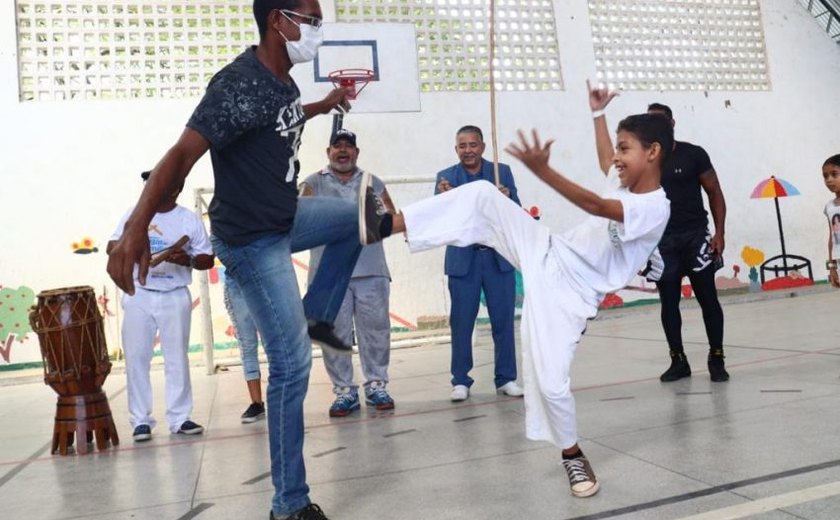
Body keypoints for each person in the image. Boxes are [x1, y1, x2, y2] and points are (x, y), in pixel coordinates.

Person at [105, 1, 392, 518]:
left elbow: (278, 119)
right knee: (291, 364)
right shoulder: (237, 83)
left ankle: (318, 314)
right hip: (251, 241)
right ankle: (289, 504)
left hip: (285, 215)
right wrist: (134, 229)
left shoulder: (284, 84)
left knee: (357, 215)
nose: (318, 30)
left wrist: (322, 106)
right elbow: (179, 156)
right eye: (311, 19)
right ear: (279, 21)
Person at [371, 114, 674, 497]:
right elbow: (603, 162)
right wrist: (596, 113)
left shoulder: (655, 208)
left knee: (550, 384)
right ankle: (388, 225)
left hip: (570, 295)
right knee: (482, 195)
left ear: (653, 152)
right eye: (617, 147)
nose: (616, 157)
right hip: (547, 249)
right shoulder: (623, 178)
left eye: (625, 149)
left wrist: (542, 170)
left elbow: (597, 205)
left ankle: (573, 455)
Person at [588, 81, 730, 383]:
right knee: (669, 303)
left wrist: (719, 233)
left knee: (708, 298)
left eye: (660, 121)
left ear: (672, 124)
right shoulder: (641, 159)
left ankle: (716, 356)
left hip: (695, 236)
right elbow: (608, 166)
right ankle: (678, 360)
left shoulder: (694, 154)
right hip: (661, 243)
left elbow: (715, 192)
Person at [108, 171, 214, 443]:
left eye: (156, 181)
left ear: (175, 188)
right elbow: (111, 245)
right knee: (136, 358)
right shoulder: (135, 213)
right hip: (139, 293)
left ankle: (180, 419)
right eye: (148, 182)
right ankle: (141, 421)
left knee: (177, 357)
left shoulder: (188, 219)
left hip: (174, 294)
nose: (149, 187)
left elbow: (207, 259)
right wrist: (131, 246)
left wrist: (186, 259)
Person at [300, 129, 397, 417]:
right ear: (328, 151)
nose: (343, 151)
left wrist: (373, 221)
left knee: (376, 331)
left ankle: (377, 385)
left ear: (357, 152)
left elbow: (391, 217)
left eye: (348, 147)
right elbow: (302, 221)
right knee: (336, 335)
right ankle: (344, 391)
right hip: (328, 274)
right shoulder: (312, 182)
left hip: (371, 271)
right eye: (337, 147)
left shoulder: (372, 181)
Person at [435, 125, 524, 402]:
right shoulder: (446, 178)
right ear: (456, 149)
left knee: (503, 321)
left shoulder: (501, 172)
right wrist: (444, 198)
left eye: (473, 145)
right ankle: (460, 380)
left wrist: (507, 198)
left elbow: (517, 212)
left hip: (497, 259)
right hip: (464, 260)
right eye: (462, 146)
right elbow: (440, 218)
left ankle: (506, 378)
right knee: (461, 322)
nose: (468, 150)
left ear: (483, 147)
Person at [223, 275, 266, 423]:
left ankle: (281, 398)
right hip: (236, 280)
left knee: (274, 344)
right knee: (247, 344)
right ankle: (256, 403)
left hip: (265, 277)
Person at [822, 154, 840, 288]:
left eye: (834, 174)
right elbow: (831, 239)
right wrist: (832, 267)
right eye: (825, 176)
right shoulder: (829, 207)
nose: (829, 180)